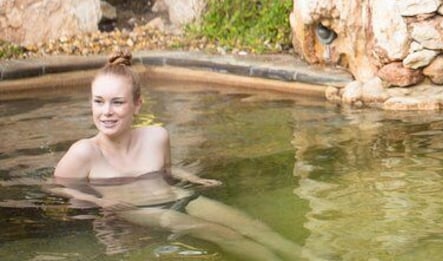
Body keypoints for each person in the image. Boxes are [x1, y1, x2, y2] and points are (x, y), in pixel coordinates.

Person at [52, 50, 304, 261]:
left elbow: (166, 174)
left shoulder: (156, 137)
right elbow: (58, 190)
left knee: (251, 226)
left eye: (117, 102)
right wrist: (100, 202)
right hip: (140, 209)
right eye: (98, 101)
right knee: (218, 232)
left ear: (137, 104)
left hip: (176, 196)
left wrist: (191, 178)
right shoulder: (85, 152)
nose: (106, 112)